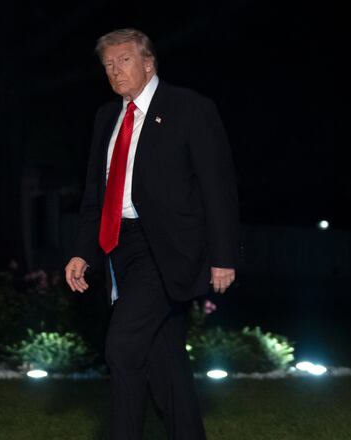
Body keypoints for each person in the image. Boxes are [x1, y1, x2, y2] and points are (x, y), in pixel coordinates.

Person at [64, 28, 239, 440]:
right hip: (117, 248)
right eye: (107, 64)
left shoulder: (189, 108)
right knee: (165, 363)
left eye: (124, 60)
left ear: (148, 62)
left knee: (123, 348)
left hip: (166, 250)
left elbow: (218, 186)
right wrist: (82, 251)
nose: (115, 70)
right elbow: (96, 191)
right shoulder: (107, 116)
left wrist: (224, 255)